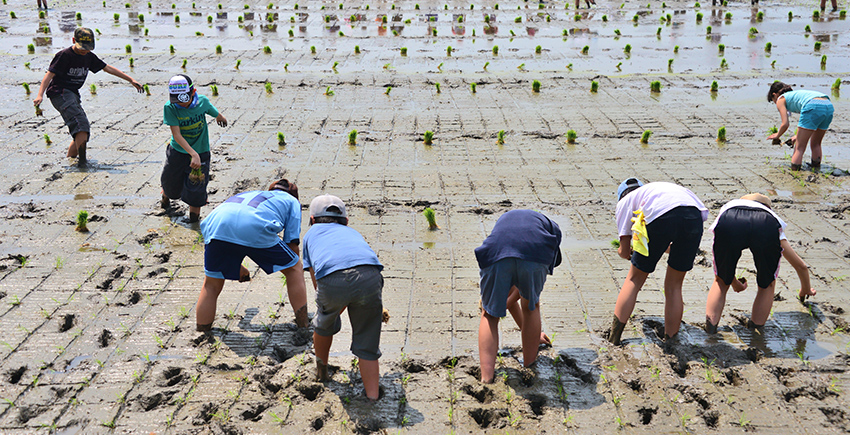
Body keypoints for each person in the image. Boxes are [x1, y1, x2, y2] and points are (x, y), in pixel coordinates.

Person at [196, 179, 308, 332]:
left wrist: (235, 266)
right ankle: (304, 325)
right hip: (254, 225)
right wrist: (292, 266)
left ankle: (202, 331)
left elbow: (231, 234)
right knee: (295, 268)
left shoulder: (250, 193)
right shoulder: (292, 201)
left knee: (211, 284)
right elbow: (292, 243)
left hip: (216, 223)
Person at [301, 195, 384, 400]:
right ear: (346, 221)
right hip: (370, 276)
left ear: (311, 220)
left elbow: (316, 281)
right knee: (367, 341)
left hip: (331, 279)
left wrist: (331, 310)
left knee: (323, 324)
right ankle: (373, 397)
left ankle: (322, 372)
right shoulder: (352, 232)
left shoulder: (310, 236)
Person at [608, 179, 708, 345]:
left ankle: (614, 338)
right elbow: (670, 241)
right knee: (674, 286)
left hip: (662, 217)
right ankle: (671, 340)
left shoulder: (625, 202)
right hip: (693, 216)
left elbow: (624, 251)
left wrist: (628, 253)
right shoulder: (655, 190)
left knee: (633, 280)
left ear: (621, 196)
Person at [32, 27, 143, 167]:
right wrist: (39, 95)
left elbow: (106, 67)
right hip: (59, 92)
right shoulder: (65, 55)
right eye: (81, 47)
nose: (84, 50)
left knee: (81, 129)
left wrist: (130, 80)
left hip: (72, 94)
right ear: (74, 41)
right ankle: (83, 164)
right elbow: (49, 75)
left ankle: (71, 158)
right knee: (81, 124)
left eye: (88, 48)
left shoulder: (88, 56)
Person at [705, 193, 814, 333]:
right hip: (764, 224)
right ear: (767, 207)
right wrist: (806, 289)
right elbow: (801, 266)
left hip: (730, 219)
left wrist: (733, 282)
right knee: (767, 284)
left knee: (720, 281)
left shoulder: (730, 206)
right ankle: (755, 331)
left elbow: (724, 268)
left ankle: (710, 330)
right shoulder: (770, 216)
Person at [475, 209, 562, 384]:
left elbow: (511, 297)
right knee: (531, 306)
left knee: (489, 315)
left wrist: (491, 306)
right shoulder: (552, 232)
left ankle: (486, 378)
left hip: (497, 252)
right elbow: (519, 298)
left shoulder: (508, 223)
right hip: (535, 252)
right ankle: (530, 366)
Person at [161, 74, 227, 223]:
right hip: (178, 151)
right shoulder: (170, 107)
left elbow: (210, 108)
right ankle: (165, 199)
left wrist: (219, 116)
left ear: (193, 92)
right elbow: (176, 135)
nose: (181, 104)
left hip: (201, 151)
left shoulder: (202, 102)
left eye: (184, 99)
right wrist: (193, 154)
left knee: (197, 188)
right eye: (177, 99)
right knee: (170, 183)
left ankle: (194, 221)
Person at [766, 81, 834, 172]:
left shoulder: (780, 99)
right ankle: (816, 169)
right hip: (828, 105)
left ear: (774, 95)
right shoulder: (795, 95)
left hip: (812, 104)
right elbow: (812, 125)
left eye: (773, 100)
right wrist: (796, 136)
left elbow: (785, 124)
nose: (775, 103)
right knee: (816, 143)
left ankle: (795, 172)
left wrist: (777, 135)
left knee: (799, 147)